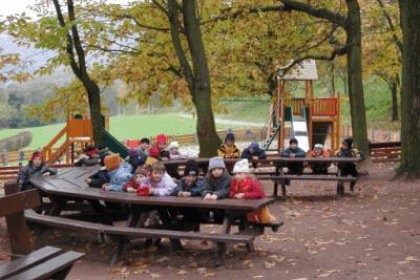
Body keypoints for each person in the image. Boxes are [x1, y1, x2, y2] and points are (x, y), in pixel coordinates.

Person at [230, 159, 275, 223]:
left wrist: (244, 194)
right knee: (250, 220)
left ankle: (269, 217)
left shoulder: (252, 181)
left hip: (259, 203)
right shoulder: (234, 181)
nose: (236, 176)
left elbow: (258, 194)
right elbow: (231, 191)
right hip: (246, 205)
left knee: (264, 220)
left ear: (246, 174)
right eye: (235, 174)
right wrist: (234, 195)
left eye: (239, 174)